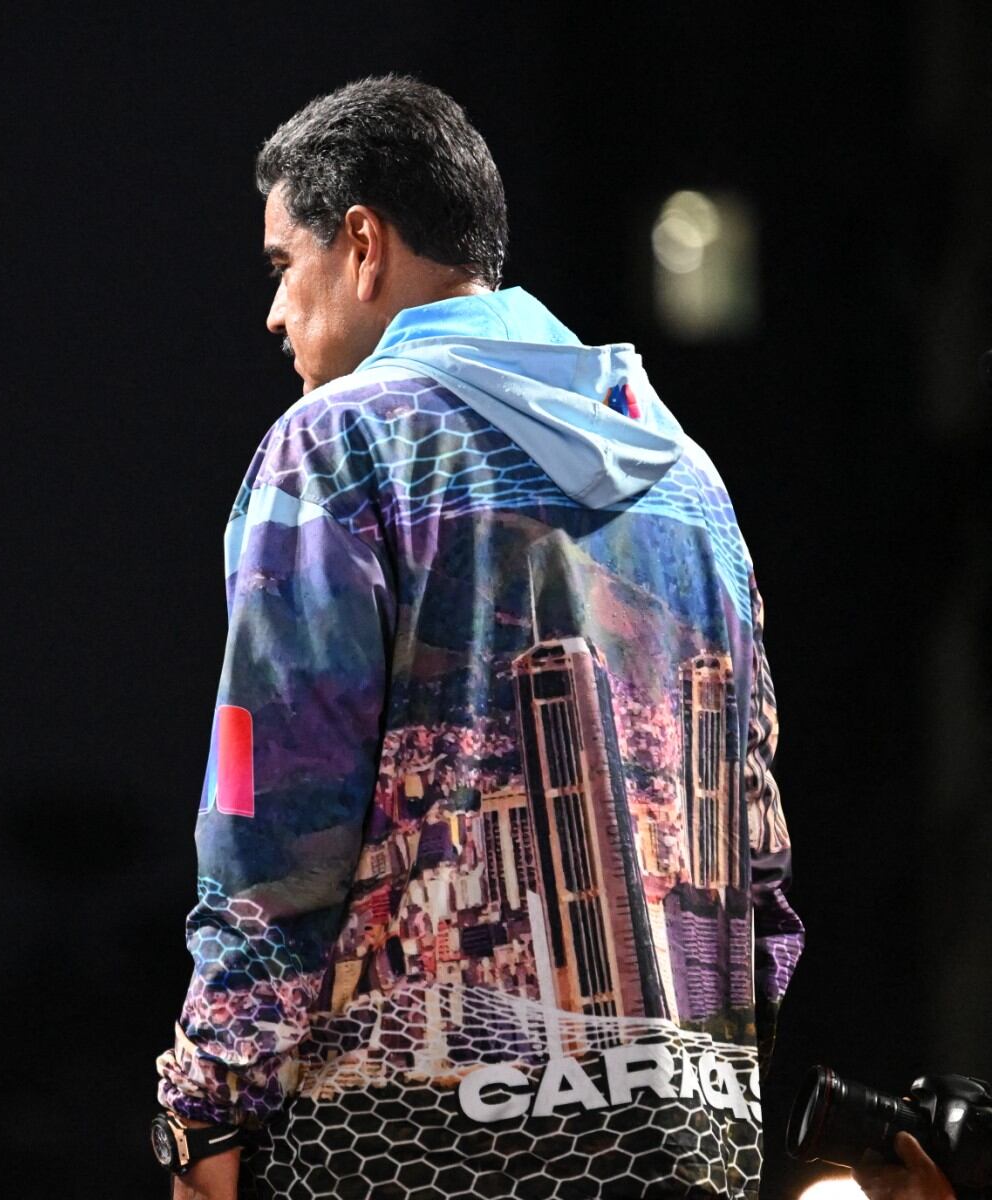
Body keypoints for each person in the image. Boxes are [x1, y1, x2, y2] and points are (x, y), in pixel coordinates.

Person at [151, 76, 803, 1199]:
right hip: (683, 1139)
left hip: (405, 1143)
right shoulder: (692, 483)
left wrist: (206, 1109)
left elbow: (274, 824)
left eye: (279, 267)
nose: (271, 314)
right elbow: (758, 853)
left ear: (362, 243)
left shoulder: (335, 448)